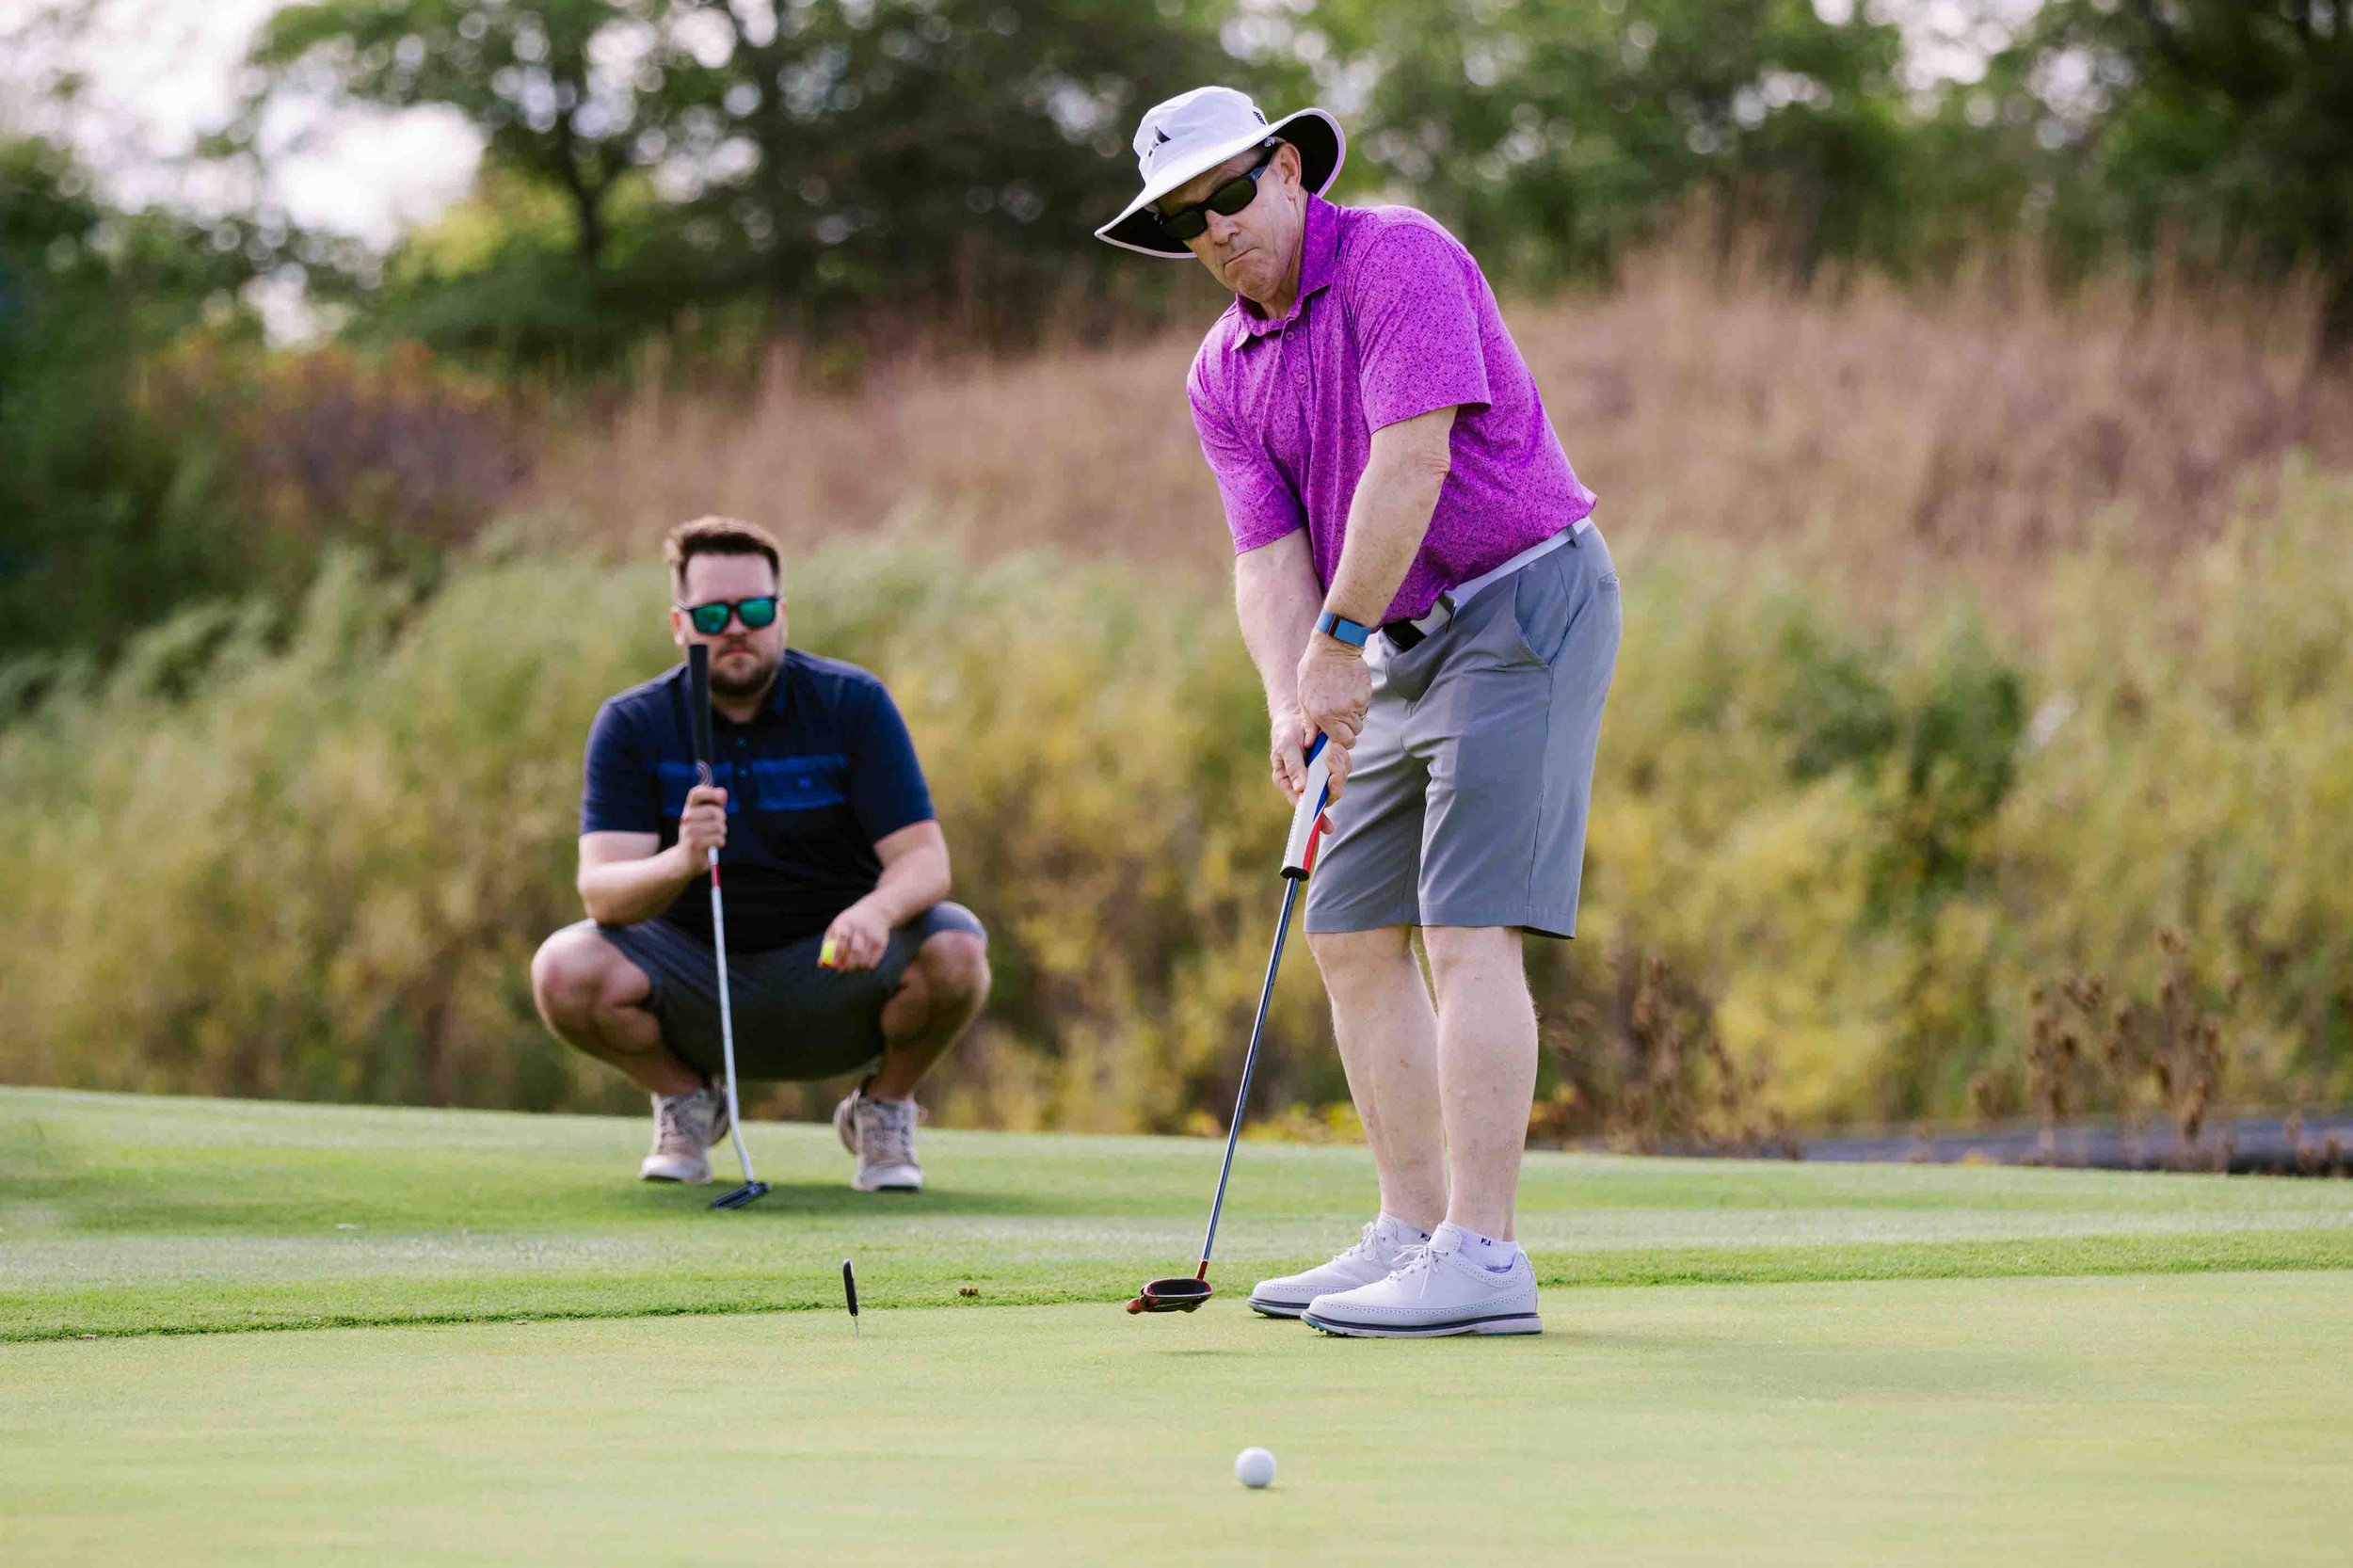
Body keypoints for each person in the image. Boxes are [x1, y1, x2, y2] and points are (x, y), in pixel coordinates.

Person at [1096, 88, 1621, 1336]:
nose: (1215, 230)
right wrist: (1292, 693)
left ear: (1286, 169)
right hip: (1384, 643)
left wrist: (1336, 649)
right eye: (1184, 220)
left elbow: (1412, 459)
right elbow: (1263, 556)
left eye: (1229, 193)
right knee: (1349, 927)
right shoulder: (1221, 370)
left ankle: (1484, 1257)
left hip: (1521, 606)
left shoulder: (1399, 257)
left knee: (1464, 924)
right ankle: (1409, 1227)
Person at [530, 517, 990, 1192]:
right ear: (681, 625)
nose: (736, 627)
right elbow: (601, 892)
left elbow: (926, 860)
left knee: (958, 947)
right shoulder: (632, 723)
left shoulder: (851, 703)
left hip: (833, 967)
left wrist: (877, 910)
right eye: (713, 613)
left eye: (755, 609)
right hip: (692, 976)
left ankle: (884, 1110)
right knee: (563, 968)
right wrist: (683, 859)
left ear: (781, 614)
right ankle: (687, 1103)